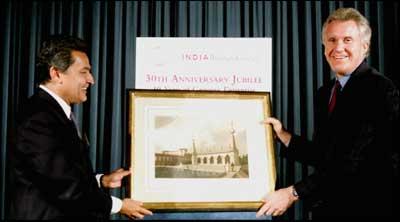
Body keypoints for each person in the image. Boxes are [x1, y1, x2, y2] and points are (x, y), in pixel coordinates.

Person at [256, 8, 399, 218]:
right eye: (332, 40)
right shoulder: (326, 93)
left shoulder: (380, 90)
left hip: (369, 208)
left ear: (365, 47)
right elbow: (326, 156)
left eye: (347, 39)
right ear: (324, 48)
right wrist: (284, 136)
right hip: (330, 208)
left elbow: (350, 162)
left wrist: (292, 193)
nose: (338, 47)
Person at [8, 35, 153, 220]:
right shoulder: (38, 118)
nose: (91, 80)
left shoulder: (53, 113)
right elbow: (64, 186)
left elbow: (59, 173)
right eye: (84, 72)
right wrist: (119, 206)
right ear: (56, 73)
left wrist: (102, 180)